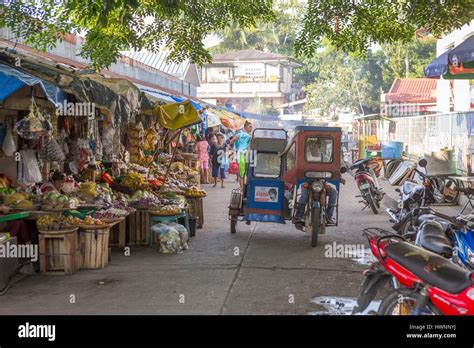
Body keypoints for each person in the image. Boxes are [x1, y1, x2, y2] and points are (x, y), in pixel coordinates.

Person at [294, 139, 345, 229]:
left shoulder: (324, 157)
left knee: (333, 193)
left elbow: (333, 168)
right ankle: (298, 217)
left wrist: (339, 177)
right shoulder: (306, 157)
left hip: (322, 182)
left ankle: (329, 217)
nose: (315, 149)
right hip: (308, 182)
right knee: (304, 196)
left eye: (316, 147)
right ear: (310, 148)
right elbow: (300, 169)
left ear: (319, 148)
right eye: (313, 147)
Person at [229, 121, 252, 188]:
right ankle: (242, 189)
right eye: (250, 126)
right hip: (242, 155)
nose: (251, 128)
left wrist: (235, 145)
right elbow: (232, 141)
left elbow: (231, 141)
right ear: (245, 127)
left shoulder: (240, 135)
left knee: (243, 173)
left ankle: (242, 188)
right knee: (243, 173)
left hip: (243, 154)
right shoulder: (243, 135)